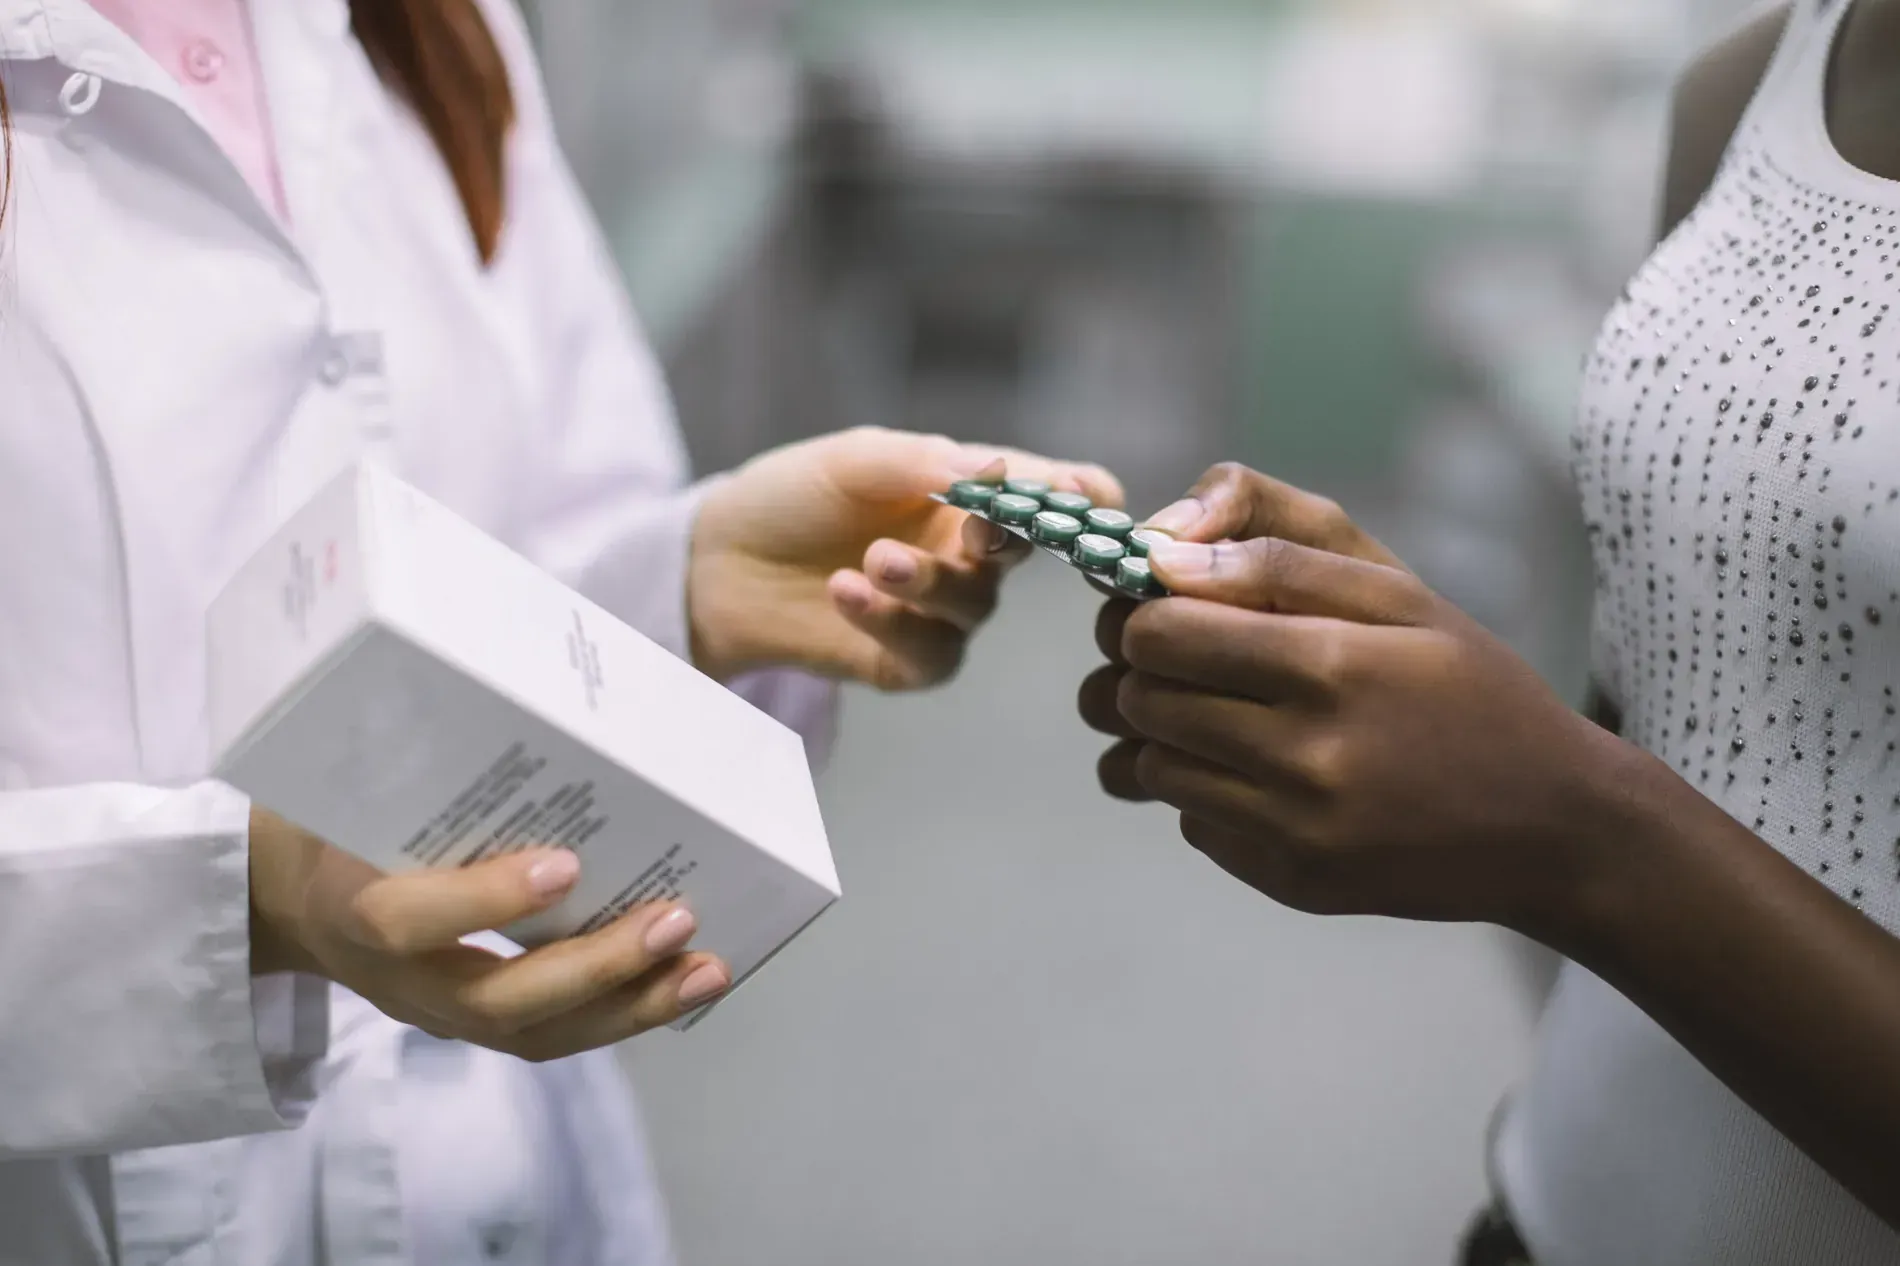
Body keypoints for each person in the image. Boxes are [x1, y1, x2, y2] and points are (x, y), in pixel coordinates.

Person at [0, 1, 1118, 1262]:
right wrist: (243, 900)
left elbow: (527, 556)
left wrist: (689, 587)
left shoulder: (437, 30)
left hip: (495, 1185)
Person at [1080, 3, 1900, 1262]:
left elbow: (1623, 830)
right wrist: (1426, 695)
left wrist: (1578, 833)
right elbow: (1704, 725)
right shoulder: (1750, 86)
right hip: (1541, 1209)